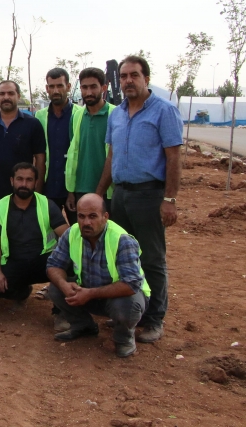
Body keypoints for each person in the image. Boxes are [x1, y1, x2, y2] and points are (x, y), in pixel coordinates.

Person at [97, 55, 183, 344]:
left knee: (152, 259)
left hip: (149, 195)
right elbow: (111, 157)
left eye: (134, 75)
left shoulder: (164, 111)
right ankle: (129, 311)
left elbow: (173, 156)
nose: (128, 81)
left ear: (146, 77)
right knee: (122, 256)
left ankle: (155, 319)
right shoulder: (117, 114)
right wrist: (99, 194)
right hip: (119, 196)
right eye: (123, 76)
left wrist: (169, 199)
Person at [46, 194, 150, 358]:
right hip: (87, 292)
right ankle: (83, 326)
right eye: (81, 216)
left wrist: (90, 293)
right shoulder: (72, 232)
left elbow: (131, 284)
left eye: (93, 216)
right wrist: (64, 285)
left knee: (127, 306)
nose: (86, 222)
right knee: (55, 288)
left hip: (120, 297)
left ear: (105, 217)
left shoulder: (121, 240)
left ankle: (123, 339)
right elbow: (54, 264)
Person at [0, 163, 69, 317]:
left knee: (70, 269)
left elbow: (66, 235)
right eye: (20, 179)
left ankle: (60, 312)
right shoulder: (0, 206)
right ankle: (22, 293)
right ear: (12, 181)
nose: (24, 184)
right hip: (15, 260)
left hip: (44, 260)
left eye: (29, 180)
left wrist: (64, 260)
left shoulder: (46, 204)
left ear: (36, 183)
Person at [0, 81, 46, 210]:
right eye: (2, 94)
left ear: (18, 96)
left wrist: (37, 191)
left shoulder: (33, 124)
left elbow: (40, 159)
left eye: (10, 93)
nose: (6, 97)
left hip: (21, 192)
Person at [35, 68, 83, 224]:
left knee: (80, 231)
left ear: (68, 87)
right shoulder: (40, 116)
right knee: (48, 231)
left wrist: (73, 190)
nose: (56, 90)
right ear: (47, 88)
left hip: (73, 187)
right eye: (52, 86)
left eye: (60, 86)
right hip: (49, 186)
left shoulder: (80, 114)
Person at [65, 67, 114, 214]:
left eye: (93, 87)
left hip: (109, 192)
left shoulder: (115, 114)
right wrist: (71, 191)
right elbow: (73, 155)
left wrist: (99, 192)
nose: (88, 92)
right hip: (81, 189)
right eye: (84, 87)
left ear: (103, 88)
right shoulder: (77, 116)